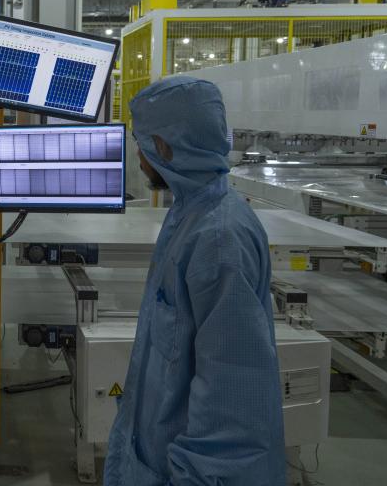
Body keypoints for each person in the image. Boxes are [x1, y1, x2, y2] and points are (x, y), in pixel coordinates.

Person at [104, 75, 285, 486]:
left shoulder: (218, 240)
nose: (138, 155)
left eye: (143, 142)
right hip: (156, 455)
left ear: (166, 146)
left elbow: (232, 405)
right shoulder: (193, 213)